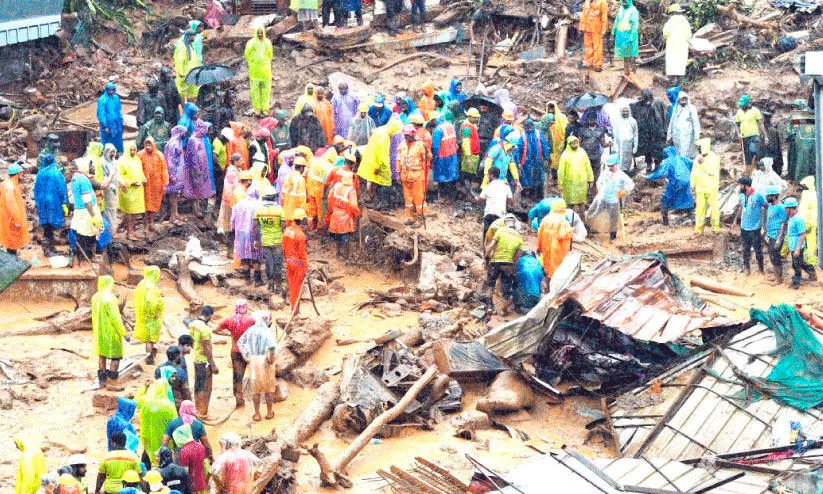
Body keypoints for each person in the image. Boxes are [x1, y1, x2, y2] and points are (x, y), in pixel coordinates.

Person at [236, 310, 278, 421]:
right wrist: (271, 358)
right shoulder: (267, 331)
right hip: (266, 361)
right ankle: (269, 413)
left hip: (254, 361)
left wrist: (246, 356)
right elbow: (272, 347)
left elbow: (240, 342)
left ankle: (257, 414)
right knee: (269, 389)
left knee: (256, 390)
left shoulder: (250, 330)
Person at [215, 299, 255, 408]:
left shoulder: (230, 320)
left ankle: (239, 400)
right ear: (245, 307)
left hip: (235, 350)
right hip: (249, 351)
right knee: (253, 373)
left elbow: (215, 330)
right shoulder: (251, 320)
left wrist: (229, 334)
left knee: (237, 377)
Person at [92, 275, 128, 391]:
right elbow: (115, 318)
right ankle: (112, 384)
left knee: (102, 355)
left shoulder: (95, 297)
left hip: (99, 332)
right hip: (111, 332)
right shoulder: (110, 298)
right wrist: (123, 333)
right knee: (115, 357)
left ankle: (102, 381)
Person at [358, 118, 403, 207]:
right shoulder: (385, 136)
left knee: (378, 183)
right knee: (385, 184)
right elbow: (382, 154)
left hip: (372, 160)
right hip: (379, 164)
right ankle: (383, 206)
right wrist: (383, 166)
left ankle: (378, 204)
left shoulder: (380, 129)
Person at [483, 214, 523, 314]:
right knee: (506, 288)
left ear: (505, 223)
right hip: (508, 265)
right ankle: (504, 310)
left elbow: (491, 246)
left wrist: (486, 258)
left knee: (490, 284)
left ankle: (489, 306)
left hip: (495, 262)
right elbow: (516, 257)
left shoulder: (500, 231)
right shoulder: (519, 238)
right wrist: (513, 269)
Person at [645, 146, 693, 225]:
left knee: (666, 198)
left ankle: (665, 220)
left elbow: (661, 173)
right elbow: (693, 163)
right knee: (686, 196)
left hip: (675, 181)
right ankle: (691, 215)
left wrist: (648, 177)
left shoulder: (668, 161)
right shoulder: (682, 158)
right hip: (687, 181)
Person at [591, 155, 634, 240]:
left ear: (616, 164)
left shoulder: (621, 175)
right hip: (603, 198)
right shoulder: (604, 174)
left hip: (615, 200)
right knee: (594, 213)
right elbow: (599, 183)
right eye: (609, 166)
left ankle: (613, 236)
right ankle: (589, 229)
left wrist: (623, 192)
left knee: (614, 217)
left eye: (612, 165)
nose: (610, 167)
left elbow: (630, 184)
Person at [137, 378, 178, 467]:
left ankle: (146, 475)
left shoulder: (146, 401)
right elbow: (175, 423)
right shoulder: (169, 405)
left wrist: (144, 388)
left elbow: (137, 401)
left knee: (147, 457)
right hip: (164, 439)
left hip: (149, 436)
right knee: (164, 460)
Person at [186, 305, 218, 417]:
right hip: (204, 362)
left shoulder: (193, 324)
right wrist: (213, 364)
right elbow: (206, 347)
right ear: (210, 315)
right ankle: (203, 413)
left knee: (198, 386)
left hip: (196, 359)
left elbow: (190, 341)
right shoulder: (205, 329)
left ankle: (197, 410)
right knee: (206, 388)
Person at [33, 154, 67, 257]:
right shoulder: (57, 174)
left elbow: (36, 190)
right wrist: (64, 202)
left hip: (42, 203)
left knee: (46, 225)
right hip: (54, 203)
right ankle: (47, 250)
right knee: (51, 225)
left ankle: (50, 248)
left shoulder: (40, 173)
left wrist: (38, 202)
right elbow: (62, 190)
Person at [132, 266, 164, 366]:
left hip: (142, 314)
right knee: (150, 338)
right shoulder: (151, 287)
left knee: (147, 336)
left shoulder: (141, 284)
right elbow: (151, 301)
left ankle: (150, 355)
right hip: (151, 316)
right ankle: (149, 358)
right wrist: (154, 313)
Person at [183, 120, 215, 217]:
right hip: (194, 168)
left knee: (199, 187)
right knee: (194, 187)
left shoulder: (200, 139)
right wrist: (196, 169)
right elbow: (192, 156)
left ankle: (198, 207)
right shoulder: (193, 139)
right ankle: (195, 209)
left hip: (201, 167)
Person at [630, 89, 668, 172]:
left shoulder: (657, 102)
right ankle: (648, 164)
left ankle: (657, 163)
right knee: (647, 149)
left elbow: (662, 116)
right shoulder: (642, 104)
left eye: (644, 97)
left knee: (658, 148)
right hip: (646, 131)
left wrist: (664, 130)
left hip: (657, 131)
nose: (643, 99)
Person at [325, 170, 361, 257]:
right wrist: (359, 214)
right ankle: (346, 256)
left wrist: (330, 210)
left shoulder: (337, 185)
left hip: (335, 213)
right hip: (345, 215)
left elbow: (329, 197)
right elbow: (353, 205)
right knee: (345, 236)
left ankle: (338, 252)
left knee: (337, 235)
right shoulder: (351, 190)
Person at [537, 198, 573, 281]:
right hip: (558, 253)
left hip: (546, 250)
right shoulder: (564, 222)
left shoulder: (545, 219)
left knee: (546, 269)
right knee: (556, 273)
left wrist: (539, 248)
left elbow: (540, 235)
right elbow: (566, 241)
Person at [557, 136, 594, 217]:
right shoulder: (565, 155)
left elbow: (588, 165)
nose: (575, 145)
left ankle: (583, 218)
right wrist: (560, 184)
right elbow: (561, 171)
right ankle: (569, 219)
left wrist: (591, 179)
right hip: (569, 184)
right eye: (573, 143)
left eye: (576, 143)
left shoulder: (582, 152)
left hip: (581, 182)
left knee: (581, 202)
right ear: (569, 144)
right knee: (570, 203)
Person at [785, 197, 817, 289]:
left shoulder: (798, 219)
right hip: (793, 245)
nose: (785, 210)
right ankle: (812, 273)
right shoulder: (792, 217)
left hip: (797, 246)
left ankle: (796, 283)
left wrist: (797, 249)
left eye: (786, 208)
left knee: (796, 264)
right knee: (800, 262)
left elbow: (802, 235)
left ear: (791, 208)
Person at [138, 137, 169, 233]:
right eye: (146, 144)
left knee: (155, 203)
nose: (148, 147)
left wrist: (164, 184)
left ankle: (152, 223)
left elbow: (164, 170)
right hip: (145, 184)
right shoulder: (140, 155)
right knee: (145, 204)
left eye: (150, 144)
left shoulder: (159, 155)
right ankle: (145, 224)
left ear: (153, 145)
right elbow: (137, 169)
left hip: (156, 184)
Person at [475, 166, 513, 241]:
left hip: (489, 214)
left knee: (486, 237)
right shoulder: (506, 187)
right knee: (497, 237)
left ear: (491, 175)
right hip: (500, 215)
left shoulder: (487, 187)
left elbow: (480, 201)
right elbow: (511, 202)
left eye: (488, 175)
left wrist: (475, 198)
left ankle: (485, 251)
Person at [691, 138, 721, 233]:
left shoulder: (714, 158)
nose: (698, 149)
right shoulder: (697, 158)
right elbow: (694, 173)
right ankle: (699, 229)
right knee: (700, 209)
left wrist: (702, 163)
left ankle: (715, 228)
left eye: (699, 147)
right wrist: (693, 185)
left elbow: (712, 171)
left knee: (714, 209)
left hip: (711, 188)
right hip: (700, 188)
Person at [118, 143, 147, 240]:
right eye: (131, 150)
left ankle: (132, 231)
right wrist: (130, 183)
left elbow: (141, 172)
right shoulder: (122, 160)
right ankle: (129, 232)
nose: (133, 152)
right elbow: (120, 176)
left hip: (138, 189)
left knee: (136, 211)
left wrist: (143, 178)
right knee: (129, 212)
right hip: (128, 189)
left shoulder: (137, 159)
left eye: (134, 150)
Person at [518, 118, 551, 199]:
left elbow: (544, 145)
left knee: (539, 176)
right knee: (526, 177)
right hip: (526, 160)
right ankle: (527, 194)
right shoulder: (523, 135)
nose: (529, 127)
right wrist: (518, 161)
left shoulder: (538, 133)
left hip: (538, 159)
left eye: (530, 125)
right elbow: (519, 148)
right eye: (528, 126)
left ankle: (538, 195)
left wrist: (546, 157)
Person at [283, 208, 308, 313]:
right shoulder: (300, 235)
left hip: (289, 262)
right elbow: (303, 254)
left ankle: (294, 308)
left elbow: (283, 247)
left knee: (292, 286)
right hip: (297, 264)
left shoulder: (287, 231)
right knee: (297, 288)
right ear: (302, 220)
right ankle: (295, 310)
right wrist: (306, 268)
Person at [245, 28, 273, 117]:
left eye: (261, 33)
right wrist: (253, 63)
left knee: (266, 91)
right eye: (258, 33)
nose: (260, 35)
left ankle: (265, 109)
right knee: (255, 91)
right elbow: (247, 55)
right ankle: (257, 109)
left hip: (265, 71)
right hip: (254, 71)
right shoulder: (251, 43)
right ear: (255, 33)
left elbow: (270, 55)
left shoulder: (268, 42)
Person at [735, 95, 768, 169]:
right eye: (741, 105)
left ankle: (757, 170)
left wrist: (765, 136)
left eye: (743, 104)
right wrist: (738, 134)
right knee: (747, 157)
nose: (742, 106)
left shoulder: (755, 111)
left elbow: (760, 123)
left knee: (753, 153)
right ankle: (749, 173)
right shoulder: (739, 112)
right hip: (744, 137)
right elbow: (737, 124)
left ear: (748, 103)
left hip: (754, 136)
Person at [431, 111, 459, 199]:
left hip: (442, 157)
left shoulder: (438, 130)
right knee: (452, 177)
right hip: (453, 155)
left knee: (442, 178)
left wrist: (433, 160)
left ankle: (443, 198)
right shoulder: (451, 126)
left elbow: (435, 147)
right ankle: (451, 198)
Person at [162, 126, 187, 226]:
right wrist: (171, 175)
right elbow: (170, 161)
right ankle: (172, 217)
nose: (186, 134)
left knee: (176, 195)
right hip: (173, 175)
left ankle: (176, 214)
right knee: (172, 195)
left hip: (178, 173)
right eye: (184, 132)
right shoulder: (173, 144)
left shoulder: (178, 142)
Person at [174, 424, 208, 494]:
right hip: (203, 486)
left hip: (191, 488)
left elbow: (185, 472)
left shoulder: (184, 451)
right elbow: (206, 466)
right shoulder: (200, 446)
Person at [663, 4, 691, 86]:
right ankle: (680, 86)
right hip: (682, 47)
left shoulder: (670, 22)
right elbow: (689, 35)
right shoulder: (685, 22)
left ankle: (671, 85)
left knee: (671, 66)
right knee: (681, 66)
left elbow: (665, 33)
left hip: (671, 47)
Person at [667, 91, 700, 160]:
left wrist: (697, 136)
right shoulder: (676, 109)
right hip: (677, 136)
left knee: (687, 153)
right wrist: (669, 135)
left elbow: (695, 122)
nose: (683, 102)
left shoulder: (691, 108)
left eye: (684, 100)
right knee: (679, 153)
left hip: (688, 136)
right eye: (681, 100)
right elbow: (672, 122)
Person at [764, 187, 786, 284]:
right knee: (772, 255)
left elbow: (783, 224)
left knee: (775, 256)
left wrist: (779, 239)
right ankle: (777, 275)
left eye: (769, 196)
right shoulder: (771, 206)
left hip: (776, 235)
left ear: (774, 196)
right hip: (770, 235)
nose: (767, 198)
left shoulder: (780, 207)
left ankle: (779, 278)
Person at [579, 0, 608, 71]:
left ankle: (597, 65)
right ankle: (588, 62)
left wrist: (604, 29)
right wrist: (581, 26)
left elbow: (604, 16)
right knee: (587, 45)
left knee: (597, 46)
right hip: (587, 28)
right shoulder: (587, 1)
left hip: (597, 28)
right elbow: (583, 14)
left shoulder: (602, 2)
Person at [579, 112, 609, 177]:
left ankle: (595, 186)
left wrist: (609, 144)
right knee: (585, 172)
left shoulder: (600, 130)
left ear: (596, 119)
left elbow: (603, 144)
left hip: (596, 156)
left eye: (593, 119)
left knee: (595, 173)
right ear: (587, 120)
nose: (591, 121)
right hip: (585, 155)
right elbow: (579, 142)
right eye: (589, 119)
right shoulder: (582, 130)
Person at [613, 0, 639, 74]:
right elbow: (616, 21)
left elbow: (635, 25)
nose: (624, 3)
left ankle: (633, 73)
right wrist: (613, 31)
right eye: (623, 2)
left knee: (632, 56)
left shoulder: (633, 11)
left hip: (630, 35)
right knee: (625, 56)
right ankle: (626, 73)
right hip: (621, 36)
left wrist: (632, 36)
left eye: (626, 2)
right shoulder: (620, 10)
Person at [174, 30, 201, 102]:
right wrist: (181, 74)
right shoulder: (182, 47)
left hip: (191, 74)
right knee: (183, 94)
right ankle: (185, 111)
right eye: (193, 37)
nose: (194, 38)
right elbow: (179, 61)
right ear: (189, 37)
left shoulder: (190, 45)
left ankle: (190, 110)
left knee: (191, 94)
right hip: (184, 75)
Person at [97, 143, 119, 231]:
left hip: (115, 189)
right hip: (107, 189)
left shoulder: (114, 161)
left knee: (113, 209)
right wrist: (111, 186)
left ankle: (113, 228)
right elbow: (103, 178)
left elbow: (117, 174)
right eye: (110, 152)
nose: (112, 154)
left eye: (114, 152)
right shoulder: (102, 162)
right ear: (106, 152)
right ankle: (110, 230)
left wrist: (121, 182)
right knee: (108, 210)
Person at [98, 82, 124, 153]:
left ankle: (119, 154)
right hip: (108, 125)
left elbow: (119, 110)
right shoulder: (102, 100)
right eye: (109, 90)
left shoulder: (116, 98)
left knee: (118, 140)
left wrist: (121, 121)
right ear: (106, 90)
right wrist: (105, 126)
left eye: (112, 90)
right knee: (108, 143)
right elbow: (101, 114)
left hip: (117, 124)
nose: (111, 92)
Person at [798, 176, 818, 266]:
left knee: (810, 244)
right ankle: (806, 261)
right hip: (802, 222)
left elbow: (814, 212)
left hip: (810, 224)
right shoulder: (805, 194)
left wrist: (810, 224)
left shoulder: (813, 196)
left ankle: (811, 262)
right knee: (804, 243)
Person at [613, 105, 638, 174]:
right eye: (623, 111)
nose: (625, 113)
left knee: (628, 161)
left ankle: (628, 174)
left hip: (629, 144)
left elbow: (636, 135)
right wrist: (615, 146)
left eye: (627, 111)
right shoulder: (617, 121)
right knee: (619, 161)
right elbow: (615, 134)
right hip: (619, 144)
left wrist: (635, 147)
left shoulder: (633, 121)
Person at [282, 156, 308, 221]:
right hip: (296, 217)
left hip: (286, 214)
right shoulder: (300, 179)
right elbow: (302, 199)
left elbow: (283, 196)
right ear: (301, 167)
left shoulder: (288, 177)